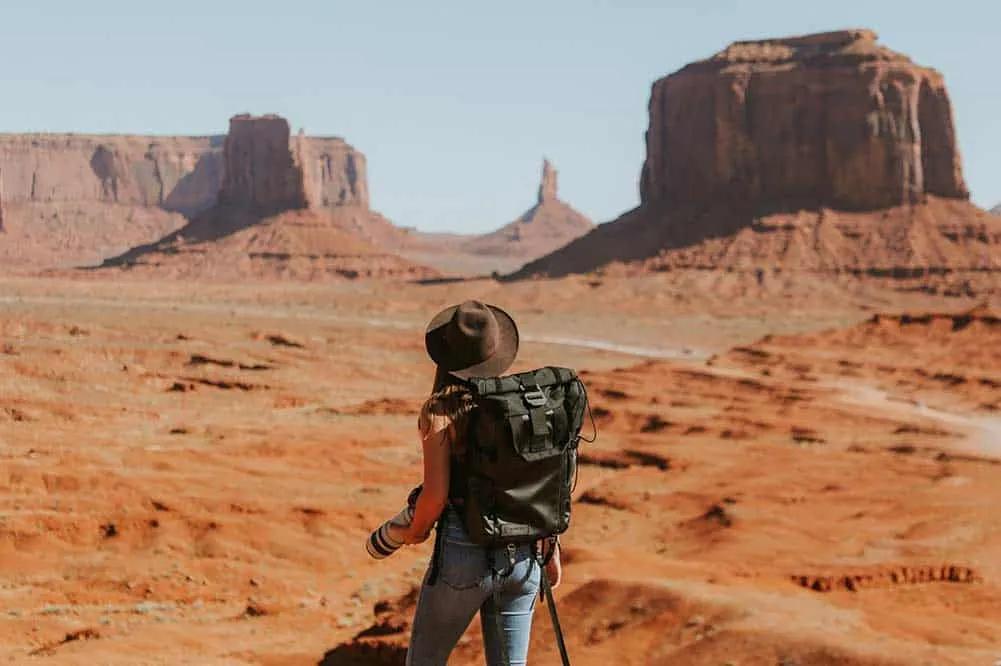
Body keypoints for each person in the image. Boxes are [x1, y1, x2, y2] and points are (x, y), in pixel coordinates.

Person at [403, 300, 562, 666]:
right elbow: (540, 484)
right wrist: (552, 548)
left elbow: (436, 495)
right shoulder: (523, 406)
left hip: (464, 557)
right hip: (525, 556)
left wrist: (413, 531)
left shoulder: (441, 411)